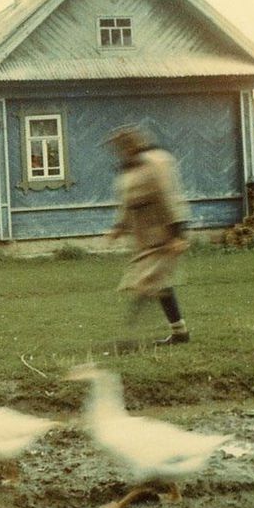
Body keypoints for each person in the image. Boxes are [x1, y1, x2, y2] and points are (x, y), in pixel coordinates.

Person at [106, 124, 191, 345]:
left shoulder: (156, 164)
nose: (121, 151)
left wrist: (178, 234)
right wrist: (119, 226)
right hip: (144, 239)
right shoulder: (128, 171)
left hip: (164, 237)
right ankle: (180, 333)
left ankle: (127, 336)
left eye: (124, 146)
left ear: (134, 145)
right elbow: (127, 202)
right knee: (158, 284)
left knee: (146, 283)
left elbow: (169, 199)